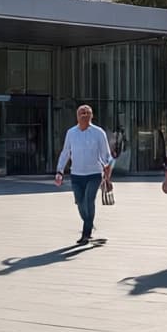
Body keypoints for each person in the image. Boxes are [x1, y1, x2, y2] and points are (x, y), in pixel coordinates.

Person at [54, 104, 115, 245]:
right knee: (80, 204)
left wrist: (107, 166)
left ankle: (86, 233)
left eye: (87, 113)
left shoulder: (99, 133)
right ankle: (89, 223)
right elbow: (65, 153)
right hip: (76, 174)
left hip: (94, 174)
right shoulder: (71, 133)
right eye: (82, 112)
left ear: (91, 116)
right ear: (77, 116)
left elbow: (106, 154)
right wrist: (59, 171)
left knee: (89, 200)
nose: (84, 115)